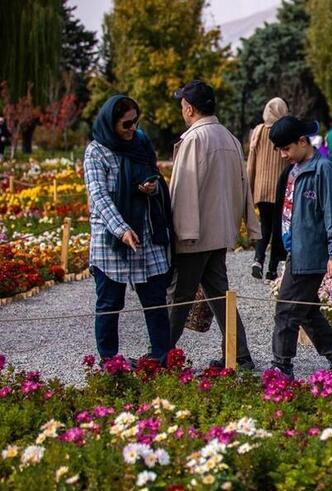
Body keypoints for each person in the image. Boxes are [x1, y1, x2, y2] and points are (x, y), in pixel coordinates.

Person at [167, 80, 261, 370]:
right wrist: (249, 227)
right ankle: (240, 353)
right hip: (220, 232)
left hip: (195, 233)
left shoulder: (194, 139)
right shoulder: (230, 138)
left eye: (183, 105)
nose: (182, 110)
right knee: (220, 294)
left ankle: (160, 353)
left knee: (179, 296)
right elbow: (244, 187)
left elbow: (183, 190)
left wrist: (179, 235)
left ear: (190, 109)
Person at [266, 115, 332, 380]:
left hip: (311, 253)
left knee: (286, 309)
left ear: (302, 141)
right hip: (296, 250)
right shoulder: (294, 169)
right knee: (306, 310)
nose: (283, 155)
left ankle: (281, 366)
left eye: (286, 149)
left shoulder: (323, 168)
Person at [84, 95, 173, 365]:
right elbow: (98, 196)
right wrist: (121, 229)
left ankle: (161, 358)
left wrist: (151, 186)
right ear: (111, 123)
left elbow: (152, 175)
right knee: (109, 304)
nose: (132, 129)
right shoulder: (96, 151)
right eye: (126, 124)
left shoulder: (141, 143)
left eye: (135, 122)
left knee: (156, 300)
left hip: (146, 233)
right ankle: (110, 361)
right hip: (111, 239)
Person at [247, 97, 289, 282]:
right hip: (279, 189)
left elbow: (251, 163)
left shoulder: (258, 130)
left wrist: (249, 187)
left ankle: (258, 260)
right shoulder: (285, 131)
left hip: (261, 188)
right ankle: (272, 269)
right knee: (278, 229)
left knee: (264, 226)